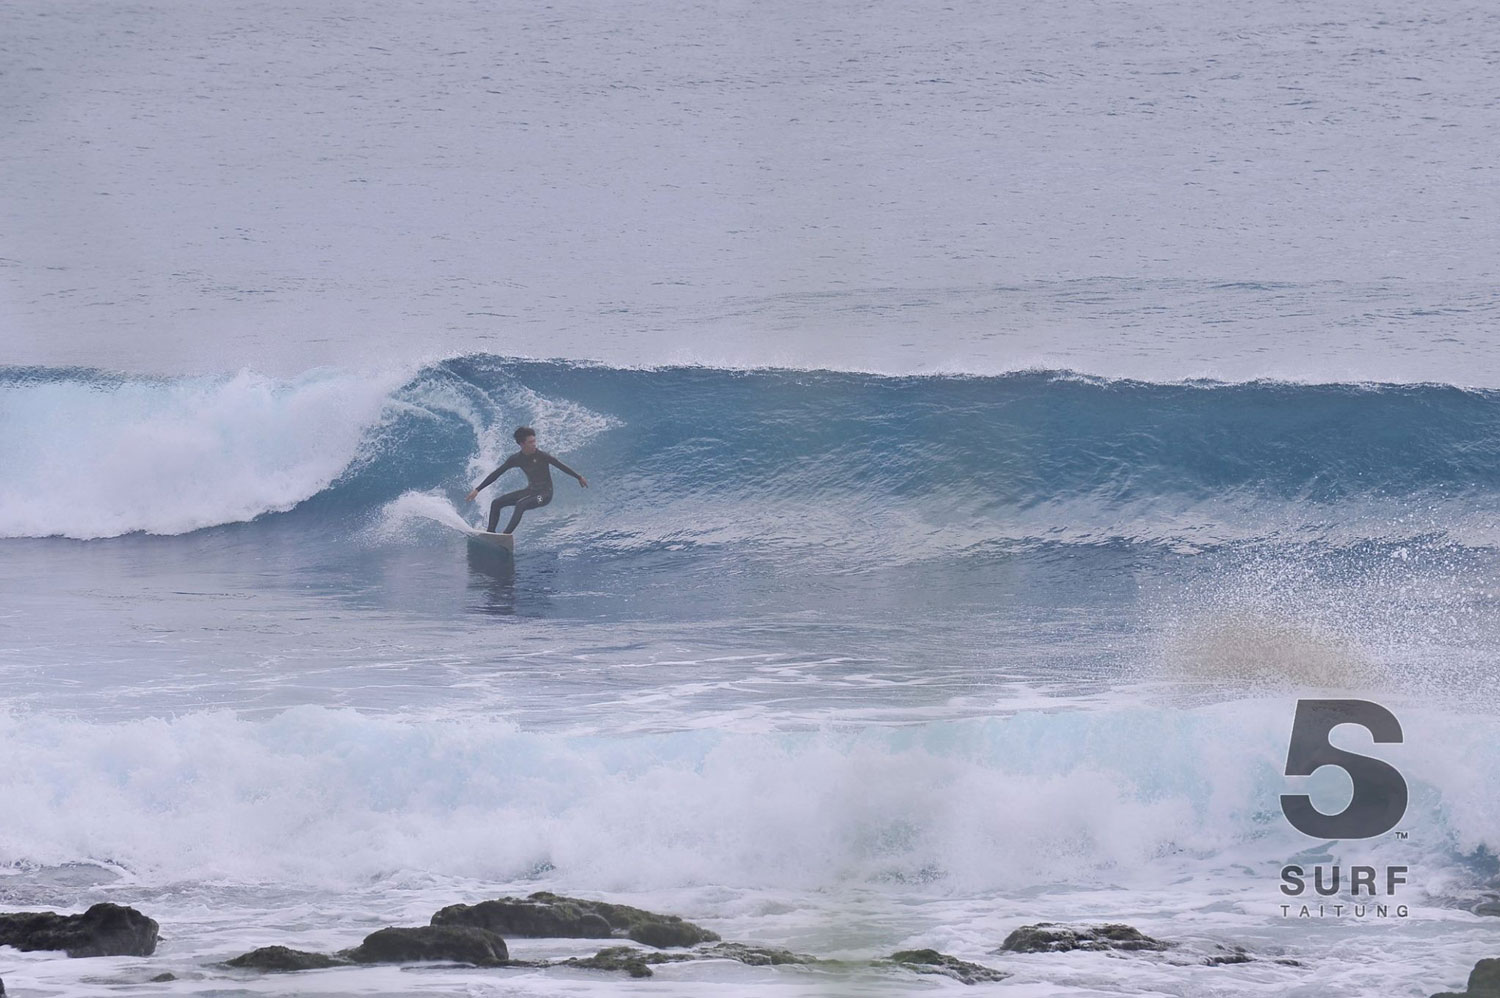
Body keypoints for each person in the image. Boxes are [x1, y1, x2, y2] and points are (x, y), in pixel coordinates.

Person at [465, 426, 588, 533]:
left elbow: (560, 465)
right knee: (496, 503)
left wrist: (579, 477)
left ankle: (505, 535)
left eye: (534, 441)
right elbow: (497, 473)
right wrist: (477, 489)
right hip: (531, 491)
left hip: (544, 496)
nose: (534, 444)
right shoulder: (516, 459)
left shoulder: (542, 456)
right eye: (530, 442)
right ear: (522, 444)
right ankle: (490, 533)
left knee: (521, 504)